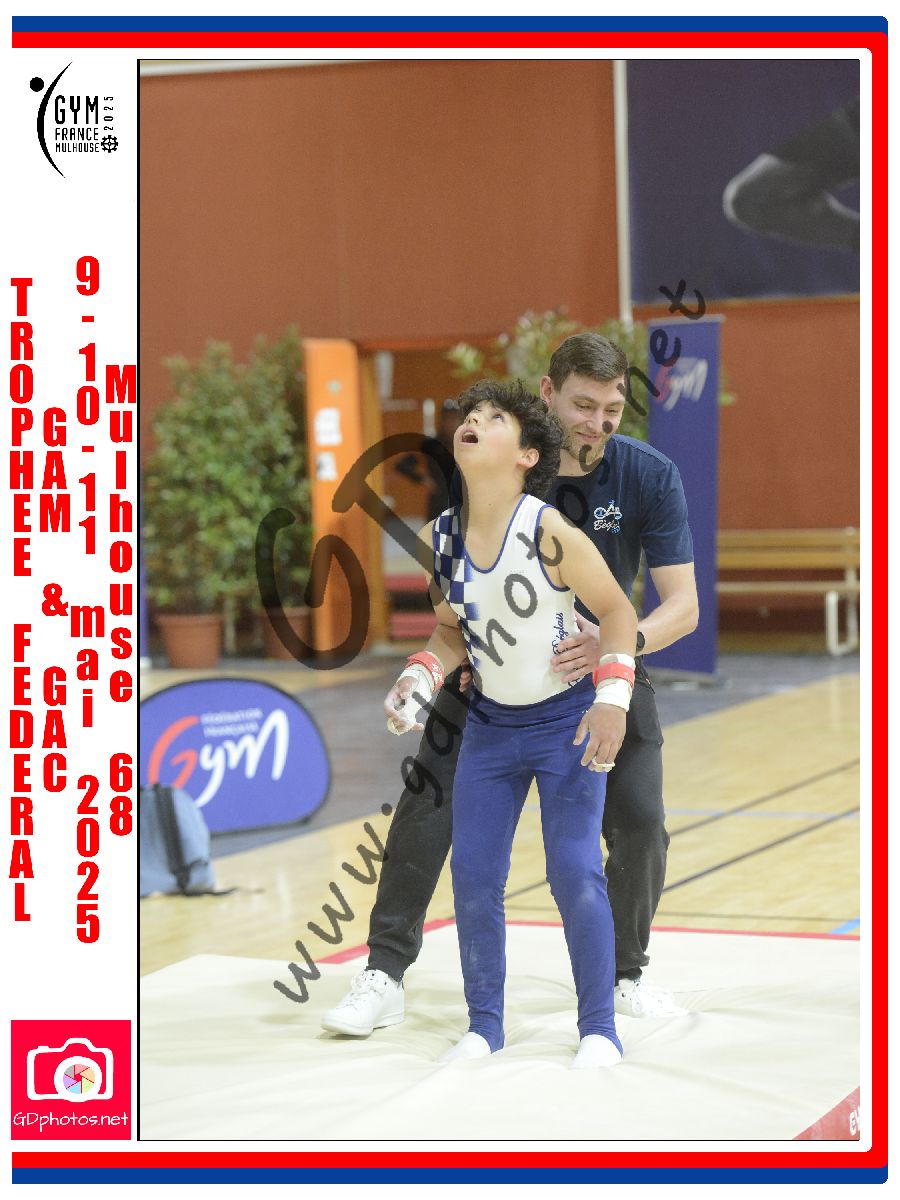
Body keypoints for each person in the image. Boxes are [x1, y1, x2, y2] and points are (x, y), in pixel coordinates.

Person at [322, 333, 699, 1037]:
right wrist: (427, 669)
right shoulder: (495, 467)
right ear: (548, 397)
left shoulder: (648, 475)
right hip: (489, 674)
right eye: (583, 405)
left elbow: (683, 605)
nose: (598, 422)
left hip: (603, 667)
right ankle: (385, 972)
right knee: (424, 804)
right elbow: (452, 611)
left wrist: (618, 650)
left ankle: (624, 975)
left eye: (612, 409)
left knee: (641, 818)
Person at [388, 378, 638, 1065]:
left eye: (494, 418)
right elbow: (451, 630)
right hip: (491, 730)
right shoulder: (439, 538)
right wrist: (420, 677)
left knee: (574, 871)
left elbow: (617, 611)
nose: (473, 421)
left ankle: (599, 1029)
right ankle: (484, 1026)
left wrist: (612, 700)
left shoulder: (548, 531)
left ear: (527, 455)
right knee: (472, 876)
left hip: (566, 724)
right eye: (470, 415)